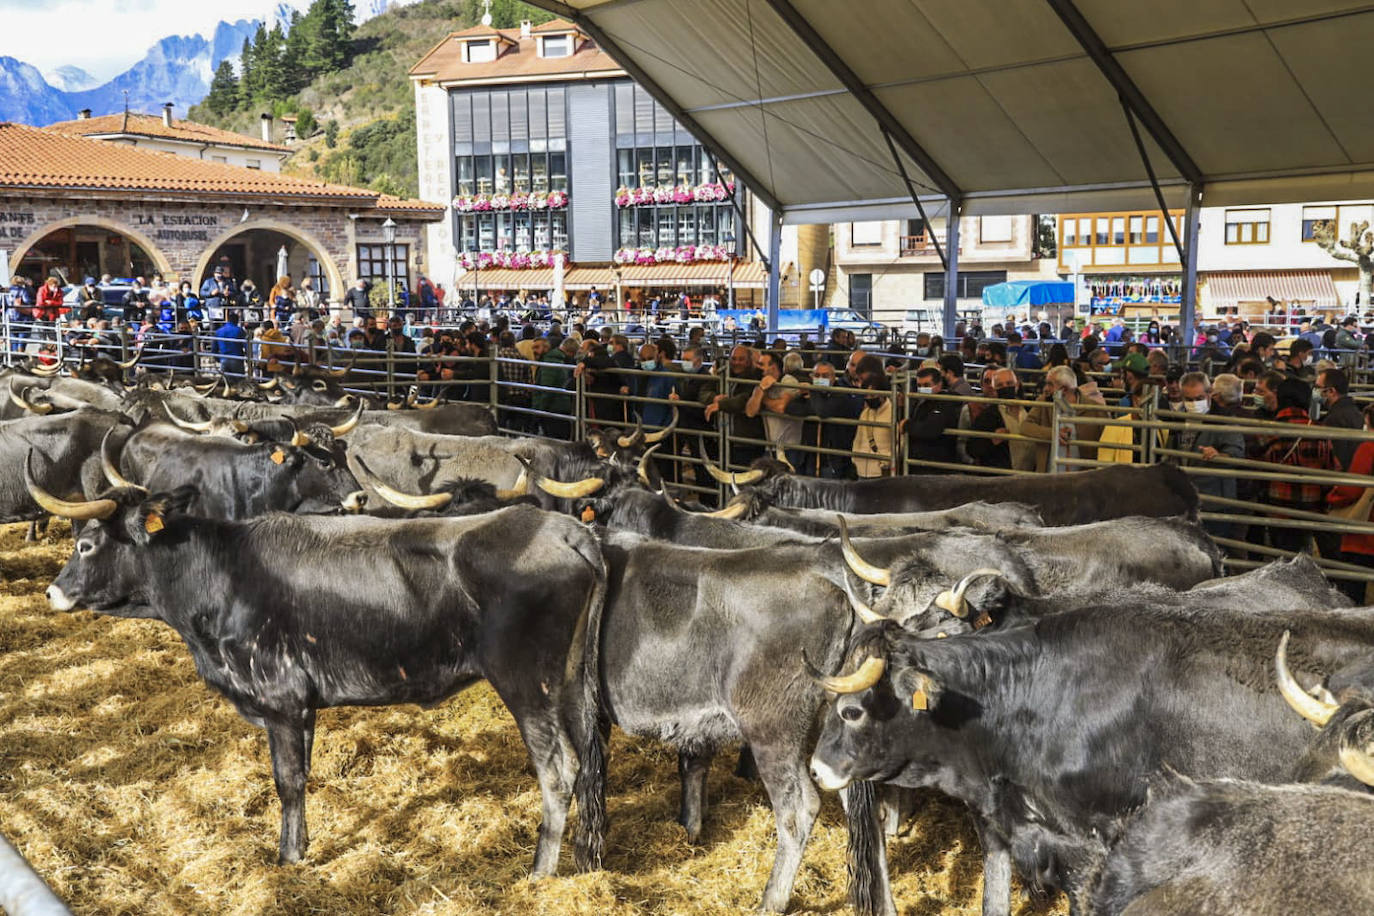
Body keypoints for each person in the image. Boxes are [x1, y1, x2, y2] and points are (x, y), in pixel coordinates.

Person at [1258, 378, 1334, 554]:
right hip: (1311, 508)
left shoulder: (1267, 432)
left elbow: (1258, 468)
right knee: (1305, 555)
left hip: (1278, 507)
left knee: (1282, 555)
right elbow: (1331, 470)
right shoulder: (1320, 432)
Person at [1167, 372, 1245, 539]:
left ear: (1210, 394)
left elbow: (1237, 453)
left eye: (1199, 398)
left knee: (1215, 548)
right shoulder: (1178, 419)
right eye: (1189, 399)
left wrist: (1219, 454)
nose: (1194, 404)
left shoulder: (1224, 420)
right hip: (1184, 501)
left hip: (1214, 501)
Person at [1324, 402, 1374, 601]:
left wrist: (1332, 496)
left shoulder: (1368, 448)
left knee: (1352, 593)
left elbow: (1350, 489)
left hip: (1364, 535)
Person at [703, 345, 767, 467]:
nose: (737, 362)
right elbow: (704, 391)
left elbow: (744, 399)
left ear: (749, 361)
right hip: (721, 436)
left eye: (741, 359)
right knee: (722, 471)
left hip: (746, 440)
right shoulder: (723, 373)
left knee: (744, 475)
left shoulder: (756, 376)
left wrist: (720, 405)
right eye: (734, 359)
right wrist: (713, 398)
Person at [745, 350, 804, 468]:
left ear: (773, 366)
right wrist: (761, 389)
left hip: (790, 448)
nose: (758, 368)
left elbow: (781, 407)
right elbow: (750, 412)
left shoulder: (788, 380)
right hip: (770, 447)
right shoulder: (761, 385)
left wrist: (764, 398)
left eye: (761, 364)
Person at [851, 361, 893, 478]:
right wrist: (855, 458)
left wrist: (887, 460)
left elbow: (900, 442)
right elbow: (858, 438)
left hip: (881, 471)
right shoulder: (865, 413)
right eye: (866, 396)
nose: (869, 399)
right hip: (862, 470)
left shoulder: (893, 413)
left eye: (873, 395)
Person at [533, 337, 578, 440]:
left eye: (536, 347)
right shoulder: (559, 361)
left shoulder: (551, 361)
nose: (533, 351)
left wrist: (540, 411)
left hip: (553, 408)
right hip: (558, 407)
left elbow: (547, 389)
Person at [215, 310, 247, 377]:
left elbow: (214, 348)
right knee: (239, 382)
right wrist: (247, 357)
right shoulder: (239, 330)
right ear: (237, 321)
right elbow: (246, 346)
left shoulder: (219, 331)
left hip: (224, 359)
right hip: (237, 359)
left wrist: (218, 358)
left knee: (226, 382)